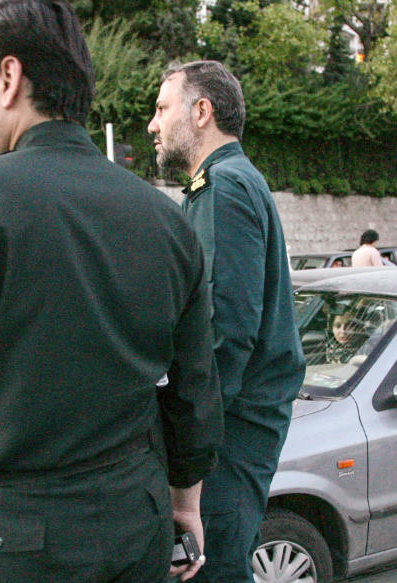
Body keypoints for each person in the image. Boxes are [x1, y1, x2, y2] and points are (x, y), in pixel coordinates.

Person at [0, 2, 222, 582]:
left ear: (7, 78)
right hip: (136, 513)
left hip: (14, 534)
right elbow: (194, 390)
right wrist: (185, 505)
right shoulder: (167, 218)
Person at [146, 60, 305, 583]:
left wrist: (190, 447)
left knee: (210, 570)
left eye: (162, 108)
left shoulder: (223, 187)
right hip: (238, 431)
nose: (153, 123)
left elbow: (222, 335)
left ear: (201, 111)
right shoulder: (233, 181)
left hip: (227, 437)